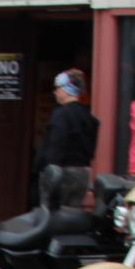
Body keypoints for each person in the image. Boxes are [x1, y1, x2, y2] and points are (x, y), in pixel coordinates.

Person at [37, 69, 99, 211]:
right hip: (82, 174)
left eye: (58, 88)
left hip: (59, 172)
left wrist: (46, 168)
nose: (55, 92)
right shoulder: (89, 117)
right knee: (72, 215)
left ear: (67, 89)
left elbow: (55, 146)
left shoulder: (61, 115)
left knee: (50, 215)